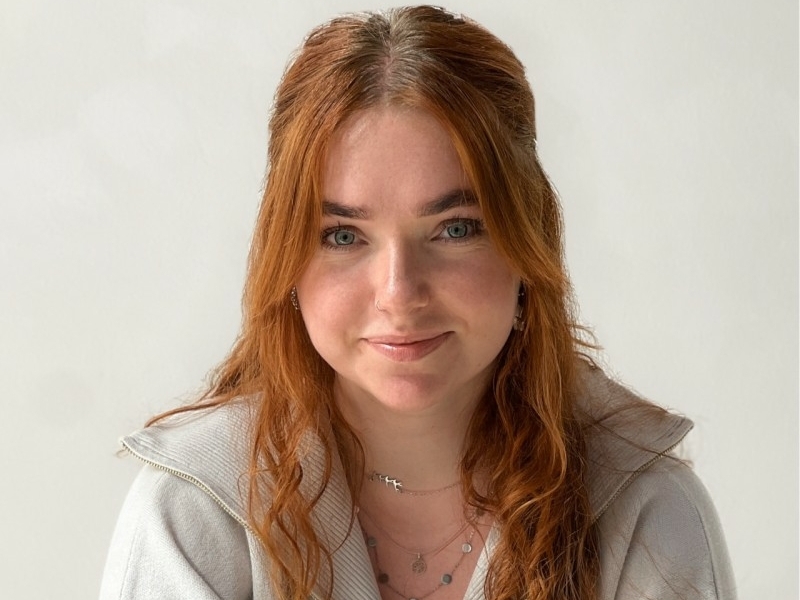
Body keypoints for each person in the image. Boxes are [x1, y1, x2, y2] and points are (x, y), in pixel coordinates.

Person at [99, 6, 736, 600]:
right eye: (343, 236)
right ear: (285, 258)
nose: (399, 293)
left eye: (455, 229)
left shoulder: (642, 507)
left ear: (527, 244)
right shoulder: (197, 506)